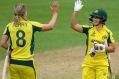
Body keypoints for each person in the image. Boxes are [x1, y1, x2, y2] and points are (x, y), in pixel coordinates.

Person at [0, 1, 59, 79]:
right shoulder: (31, 25)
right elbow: (50, 26)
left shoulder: (9, 26)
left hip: (13, 63)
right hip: (27, 63)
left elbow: (3, 43)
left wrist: (11, 50)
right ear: (24, 13)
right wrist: (55, 13)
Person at [70, 0, 115, 79]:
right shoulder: (89, 29)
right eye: (94, 17)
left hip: (101, 64)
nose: (94, 19)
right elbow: (73, 25)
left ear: (102, 19)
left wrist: (102, 48)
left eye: (97, 17)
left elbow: (113, 48)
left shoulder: (108, 33)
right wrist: (75, 11)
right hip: (88, 63)